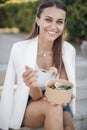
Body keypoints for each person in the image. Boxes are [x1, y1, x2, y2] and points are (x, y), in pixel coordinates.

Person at [0, 0, 76, 130]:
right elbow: (35, 96)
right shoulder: (20, 50)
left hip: (55, 99)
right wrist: (33, 85)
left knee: (67, 125)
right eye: (48, 20)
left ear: (64, 24)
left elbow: (62, 90)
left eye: (59, 21)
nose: (53, 26)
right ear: (38, 20)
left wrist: (65, 94)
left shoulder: (68, 50)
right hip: (29, 102)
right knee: (53, 107)